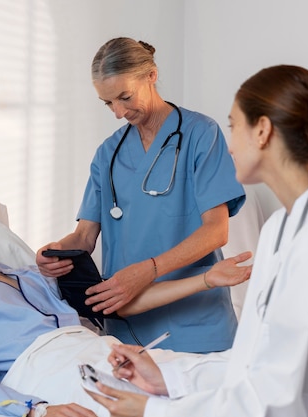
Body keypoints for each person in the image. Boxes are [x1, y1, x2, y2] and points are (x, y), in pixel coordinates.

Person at [85, 65, 308, 417]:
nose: (229, 142)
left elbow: (277, 401)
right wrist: (170, 379)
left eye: (233, 125)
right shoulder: (282, 228)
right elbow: (256, 364)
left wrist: (152, 411)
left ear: (263, 131)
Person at [0, 189, 252, 417]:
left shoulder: (31, 274)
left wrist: (207, 278)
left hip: (103, 351)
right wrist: (32, 410)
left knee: (233, 373)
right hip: (45, 372)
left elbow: (115, 303)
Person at [36, 37, 246, 352]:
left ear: (151, 75)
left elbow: (216, 230)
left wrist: (149, 270)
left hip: (195, 319)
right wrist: (56, 252)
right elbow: (83, 237)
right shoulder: (108, 154)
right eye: (107, 103)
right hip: (127, 321)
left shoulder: (201, 135)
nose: (118, 112)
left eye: (125, 97)